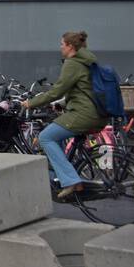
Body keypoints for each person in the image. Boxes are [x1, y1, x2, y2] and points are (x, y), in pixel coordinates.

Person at [25, 31, 108, 200]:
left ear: (70, 46)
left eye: (62, 44)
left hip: (84, 114)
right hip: (97, 113)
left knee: (45, 137)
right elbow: (80, 91)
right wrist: (60, 105)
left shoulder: (72, 63)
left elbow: (57, 91)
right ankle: (68, 175)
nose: (60, 47)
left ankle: (71, 180)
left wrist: (30, 103)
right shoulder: (88, 61)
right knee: (58, 133)